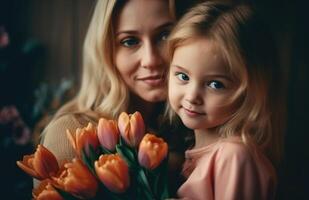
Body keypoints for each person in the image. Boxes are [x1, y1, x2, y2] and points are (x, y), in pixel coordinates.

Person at [37, 0, 195, 195]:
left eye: (164, 35)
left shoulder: (194, 128)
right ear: (105, 51)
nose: (151, 59)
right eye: (129, 41)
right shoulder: (71, 132)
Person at [166, 1, 284, 199]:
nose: (192, 96)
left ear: (251, 91)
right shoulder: (190, 150)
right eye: (183, 76)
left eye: (215, 84)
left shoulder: (235, 157)